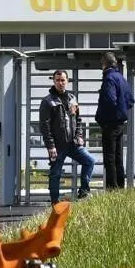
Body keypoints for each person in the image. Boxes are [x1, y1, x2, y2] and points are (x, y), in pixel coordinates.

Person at [39, 70, 94, 205]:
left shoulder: (72, 98)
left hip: (73, 144)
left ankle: (84, 192)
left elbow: (78, 120)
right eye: (57, 80)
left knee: (90, 161)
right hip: (58, 145)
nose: (60, 83)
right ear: (53, 81)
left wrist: (79, 136)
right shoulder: (47, 101)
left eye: (63, 80)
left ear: (67, 81)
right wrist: (50, 146)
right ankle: (55, 203)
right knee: (56, 173)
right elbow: (44, 127)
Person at [95, 51, 134, 190]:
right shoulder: (122, 78)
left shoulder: (109, 79)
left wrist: (103, 117)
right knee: (118, 158)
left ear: (104, 64)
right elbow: (131, 101)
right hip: (120, 123)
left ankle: (112, 190)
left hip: (110, 124)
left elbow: (110, 100)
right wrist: (120, 110)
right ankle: (120, 189)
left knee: (109, 159)